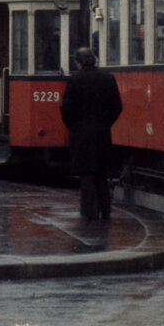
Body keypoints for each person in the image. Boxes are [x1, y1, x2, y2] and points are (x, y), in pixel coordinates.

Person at [60, 47, 123, 221]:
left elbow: (66, 108)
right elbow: (117, 107)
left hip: (81, 135)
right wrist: (105, 123)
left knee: (86, 175)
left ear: (78, 63)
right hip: (102, 133)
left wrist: (73, 126)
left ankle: (90, 213)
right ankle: (106, 210)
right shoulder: (108, 79)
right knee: (102, 174)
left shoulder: (74, 80)